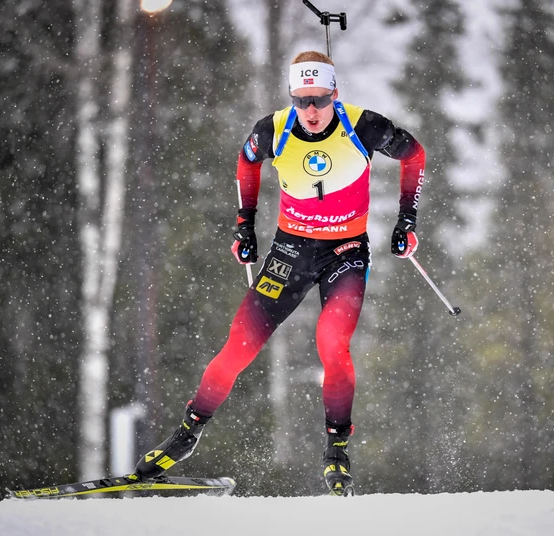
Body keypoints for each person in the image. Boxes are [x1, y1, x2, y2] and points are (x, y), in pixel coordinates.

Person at [134, 50, 426, 496]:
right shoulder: (272, 130)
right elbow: (246, 163)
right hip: (291, 250)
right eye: (301, 100)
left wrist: (407, 220)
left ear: (335, 94)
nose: (311, 110)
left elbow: (414, 155)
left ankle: (337, 451)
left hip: (346, 252)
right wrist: (244, 225)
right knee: (239, 345)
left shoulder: (364, 125)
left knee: (332, 343)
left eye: (320, 99)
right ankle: (187, 433)